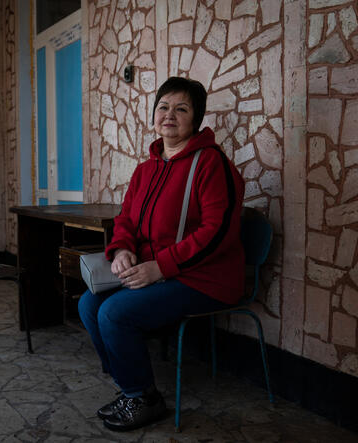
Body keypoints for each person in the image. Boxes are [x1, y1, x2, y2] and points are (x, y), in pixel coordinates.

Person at [78, 77, 246, 432]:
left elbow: (218, 232)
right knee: (88, 304)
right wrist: (122, 248)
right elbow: (125, 220)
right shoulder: (146, 169)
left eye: (181, 108)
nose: (170, 115)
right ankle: (129, 384)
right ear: (154, 115)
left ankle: (143, 397)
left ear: (196, 118)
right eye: (164, 107)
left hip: (204, 277)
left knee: (115, 313)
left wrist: (161, 268)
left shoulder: (212, 164)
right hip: (158, 271)